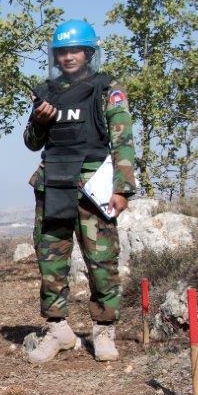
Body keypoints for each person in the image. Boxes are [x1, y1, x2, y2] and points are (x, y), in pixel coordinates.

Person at [23, 19, 137, 363]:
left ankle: (103, 329)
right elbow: (31, 142)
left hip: (93, 187)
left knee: (101, 260)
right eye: (62, 52)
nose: (68, 57)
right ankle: (58, 329)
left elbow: (123, 140)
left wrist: (123, 189)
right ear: (55, 56)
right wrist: (40, 120)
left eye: (75, 50)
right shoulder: (45, 91)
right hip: (53, 185)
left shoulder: (107, 89)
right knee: (51, 261)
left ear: (88, 53)